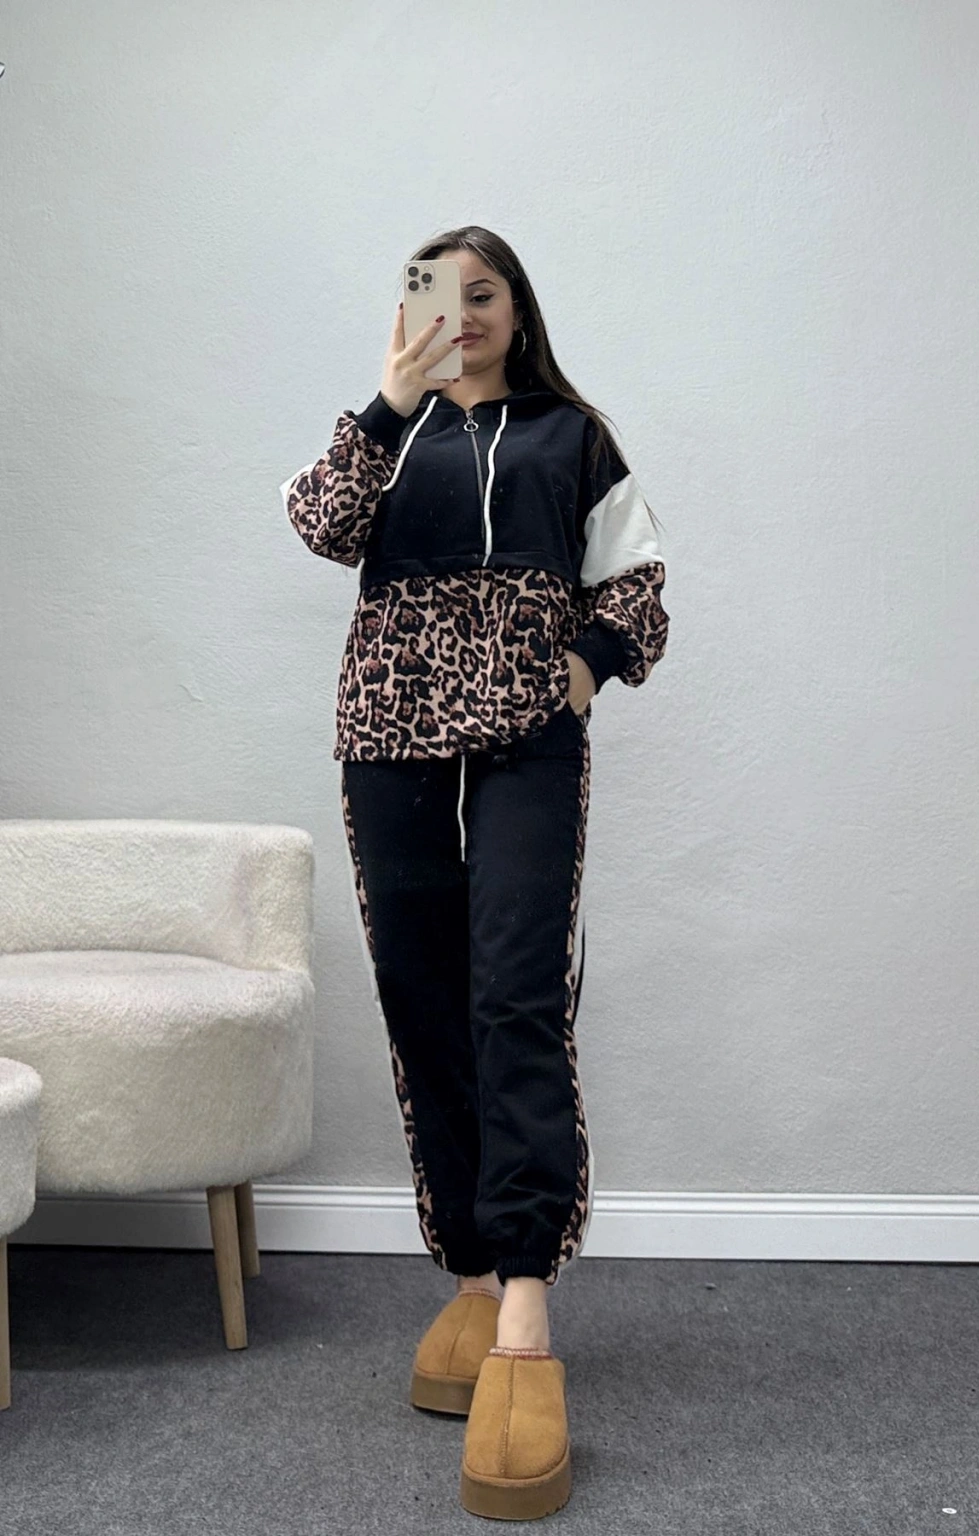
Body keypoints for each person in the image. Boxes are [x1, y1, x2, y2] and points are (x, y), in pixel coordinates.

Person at [281, 225, 669, 1520]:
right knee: (421, 995)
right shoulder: (382, 436)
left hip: (526, 736)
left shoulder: (574, 435)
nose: (466, 313)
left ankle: (525, 1305)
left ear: (518, 307)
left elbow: (638, 578)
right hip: (386, 730)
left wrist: (588, 667)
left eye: (484, 292)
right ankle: (467, 1262)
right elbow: (320, 526)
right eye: (440, 295)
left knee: (514, 993)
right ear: (412, 314)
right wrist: (388, 400)